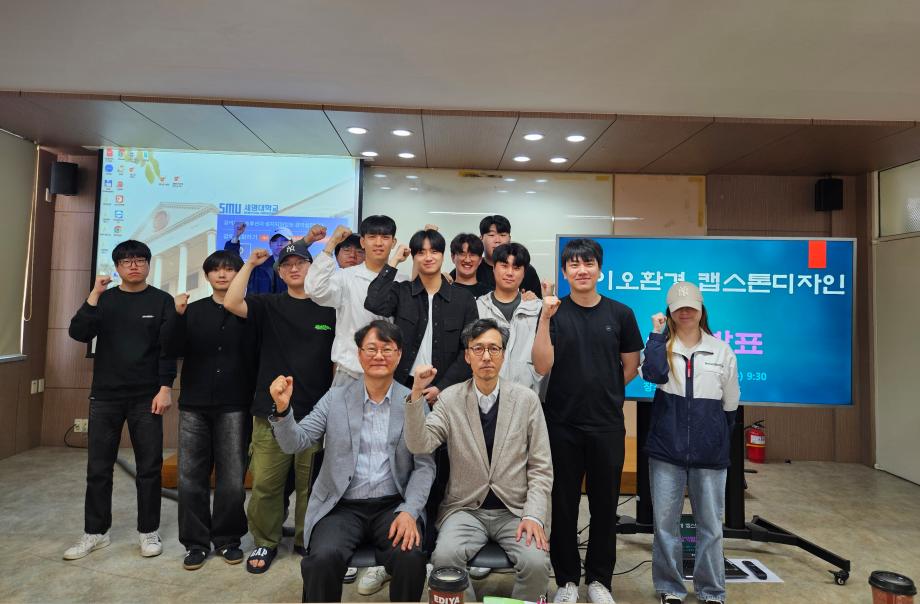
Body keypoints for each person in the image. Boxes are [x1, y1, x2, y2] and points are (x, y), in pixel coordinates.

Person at [269, 320, 435, 603]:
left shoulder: (412, 401)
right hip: (341, 507)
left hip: (393, 506)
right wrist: (283, 410)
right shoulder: (335, 398)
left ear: (399, 355)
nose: (379, 355)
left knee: (410, 557)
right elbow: (294, 442)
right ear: (359, 355)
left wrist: (410, 511)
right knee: (322, 558)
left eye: (387, 349)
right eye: (371, 348)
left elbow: (425, 465)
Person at [405, 319, 553, 602]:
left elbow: (541, 467)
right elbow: (419, 443)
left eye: (494, 349)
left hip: (515, 510)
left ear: (503, 354)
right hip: (465, 510)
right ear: (467, 356)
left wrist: (534, 515)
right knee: (444, 557)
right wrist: (416, 395)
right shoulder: (450, 399)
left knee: (536, 562)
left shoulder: (526, 400)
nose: (486, 356)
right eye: (478, 348)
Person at [532, 238, 644, 604]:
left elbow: (630, 366)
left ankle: (599, 580)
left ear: (600, 269)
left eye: (588, 263)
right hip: (561, 424)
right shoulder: (553, 313)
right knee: (563, 505)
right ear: (564, 272)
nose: (582, 270)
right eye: (574, 265)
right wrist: (545, 317)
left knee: (605, 505)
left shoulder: (621, 314)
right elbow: (541, 365)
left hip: (606, 425)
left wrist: (604, 389)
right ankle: (566, 580)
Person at [364, 227, 479, 554]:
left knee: (443, 467)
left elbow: (468, 349)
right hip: (404, 391)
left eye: (434, 251)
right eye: (421, 252)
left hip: (446, 395)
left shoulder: (462, 299)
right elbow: (373, 301)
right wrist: (392, 262)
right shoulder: (402, 292)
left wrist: (441, 386)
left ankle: (436, 541)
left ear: (443, 256)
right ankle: (406, 536)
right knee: (406, 464)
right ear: (414, 257)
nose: (428, 257)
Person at [223, 239, 335, 574]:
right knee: (266, 484)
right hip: (271, 411)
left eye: (301, 263)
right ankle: (266, 540)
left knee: (311, 485)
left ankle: (306, 538)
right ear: (280, 273)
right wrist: (249, 264)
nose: (294, 268)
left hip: (316, 413)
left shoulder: (330, 308)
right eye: (287, 265)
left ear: (312, 268)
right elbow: (231, 302)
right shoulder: (268, 304)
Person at [305, 216, 404, 590]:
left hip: (392, 377)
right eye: (372, 236)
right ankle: (340, 541)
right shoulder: (346, 277)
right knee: (342, 455)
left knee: (388, 455)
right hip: (349, 374)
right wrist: (330, 246)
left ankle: (384, 553)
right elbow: (315, 289)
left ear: (393, 241)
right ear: (362, 241)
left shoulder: (401, 277)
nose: (379, 242)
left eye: (385, 237)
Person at [64, 240, 176, 560]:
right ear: (117, 267)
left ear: (149, 265)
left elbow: (167, 349)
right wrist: (94, 293)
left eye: (140, 260)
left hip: (146, 397)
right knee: (98, 468)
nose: (134, 265)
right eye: (127, 261)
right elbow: (78, 333)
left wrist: (165, 388)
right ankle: (96, 532)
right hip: (106, 396)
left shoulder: (161, 301)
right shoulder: (104, 299)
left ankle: (148, 531)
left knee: (149, 468)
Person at [639, 282, 740, 604]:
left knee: (710, 526)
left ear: (701, 310)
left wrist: (714, 436)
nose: (685, 312)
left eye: (691, 307)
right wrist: (656, 336)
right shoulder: (661, 346)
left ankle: (712, 591)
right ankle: (670, 588)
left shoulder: (721, 350)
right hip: (666, 451)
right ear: (669, 312)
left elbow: (731, 404)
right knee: (665, 525)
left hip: (709, 453)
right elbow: (653, 374)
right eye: (678, 307)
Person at [162, 250, 256, 570]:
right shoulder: (192, 311)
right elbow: (171, 349)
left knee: (231, 478)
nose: (222, 274)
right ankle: (196, 543)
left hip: (235, 403)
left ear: (239, 275)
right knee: (191, 477)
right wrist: (176, 317)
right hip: (194, 404)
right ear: (206, 276)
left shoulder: (250, 311)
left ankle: (228, 539)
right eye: (216, 270)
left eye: (230, 269)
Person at [475, 243, 544, 395]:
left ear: (524, 273)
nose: (510, 273)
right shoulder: (478, 307)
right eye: (504, 266)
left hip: (527, 396)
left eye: (516, 268)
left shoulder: (538, 309)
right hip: (485, 394)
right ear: (494, 268)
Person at [224, 223, 327, 294]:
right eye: (275, 240)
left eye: (284, 240)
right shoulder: (257, 266)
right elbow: (232, 262)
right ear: (270, 244)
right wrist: (235, 236)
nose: (279, 244)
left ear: (292, 243)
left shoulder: (301, 267)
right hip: (259, 315)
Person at [476, 215, 542, 297]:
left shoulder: (526, 269)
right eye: (491, 235)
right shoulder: (473, 269)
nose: (497, 240)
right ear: (481, 238)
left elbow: (538, 300)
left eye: (503, 235)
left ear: (509, 238)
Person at [448, 233, 491, 298]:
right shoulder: (444, 292)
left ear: (480, 260)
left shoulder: (489, 295)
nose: (467, 260)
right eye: (462, 254)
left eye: (472, 255)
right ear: (453, 257)